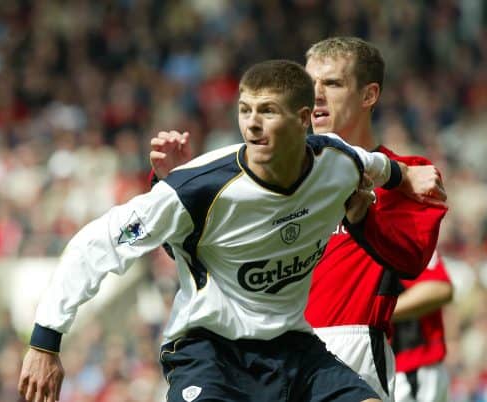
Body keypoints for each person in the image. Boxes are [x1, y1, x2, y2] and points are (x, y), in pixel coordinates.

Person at [17, 59, 429, 402]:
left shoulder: (335, 162)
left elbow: (372, 165)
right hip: (210, 352)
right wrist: (44, 343)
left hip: (293, 348)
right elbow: (96, 245)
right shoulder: (199, 187)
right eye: (245, 110)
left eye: (267, 111)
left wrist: (405, 176)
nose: (252, 124)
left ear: (303, 119)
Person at [149, 37, 449, 402]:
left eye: (333, 84)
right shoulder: (266, 171)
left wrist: (362, 219)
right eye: (310, 85)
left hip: (351, 350)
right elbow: (203, 255)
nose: (317, 95)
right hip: (263, 352)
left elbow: (413, 258)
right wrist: (180, 192)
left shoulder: (407, 177)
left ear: (369, 95)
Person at [391, 250, 453, 402]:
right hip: (383, 371)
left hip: (411, 370)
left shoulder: (402, 230)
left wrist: (377, 312)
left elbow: (439, 288)